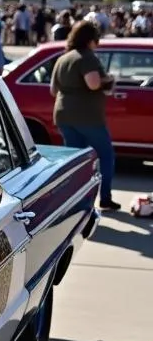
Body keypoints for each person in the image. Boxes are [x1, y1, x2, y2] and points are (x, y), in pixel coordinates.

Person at [50, 19, 119, 212]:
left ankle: (74, 200)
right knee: (106, 155)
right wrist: (109, 79)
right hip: (87, 116)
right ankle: (105, 198)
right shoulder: (87, 57)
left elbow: (53, 91)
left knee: (75, 161)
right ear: (91, 40)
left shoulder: (63, 58)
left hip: (63, 114)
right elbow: (93, 84)